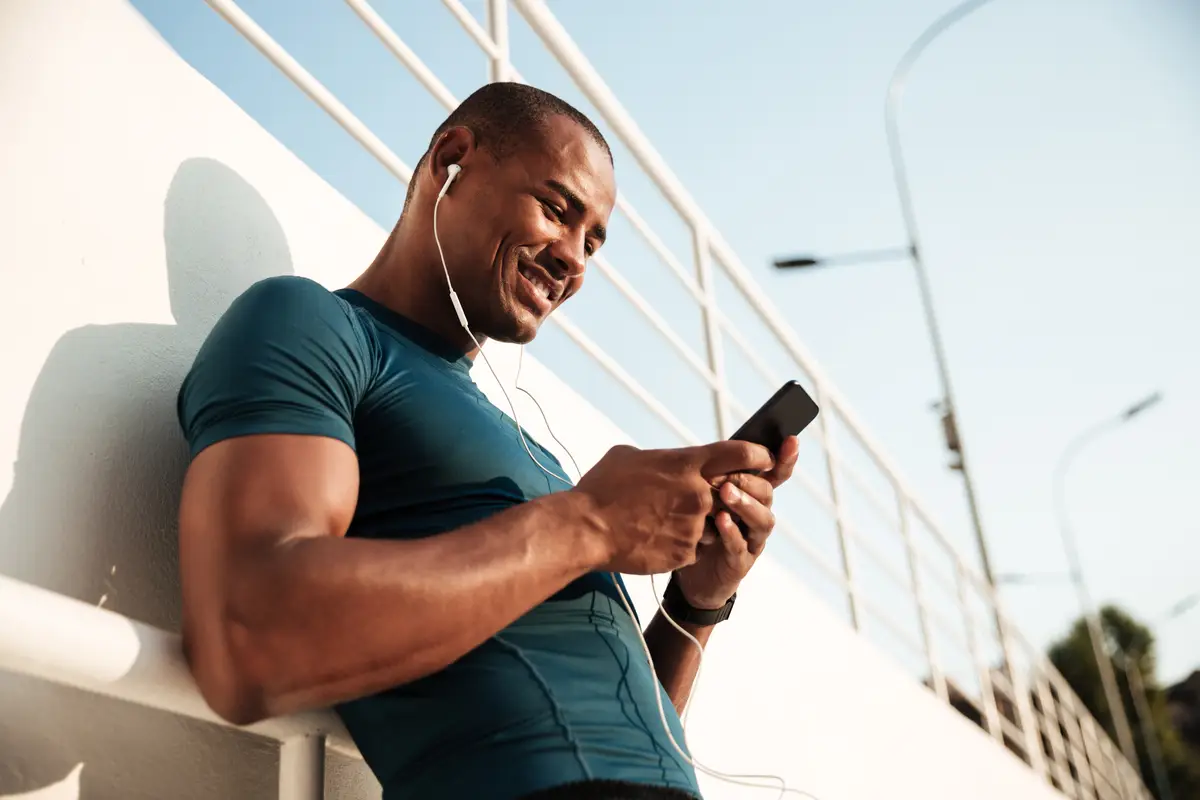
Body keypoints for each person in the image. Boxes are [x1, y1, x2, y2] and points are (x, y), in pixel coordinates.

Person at [176, 82, 799, 800]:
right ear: (451, 160)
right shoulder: (314, 324)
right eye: (557, 211)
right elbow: (244, 637)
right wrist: (591, 523)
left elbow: (614, 725)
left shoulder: (538, 456)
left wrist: (695, 602)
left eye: (592, 242)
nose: (575, 260)